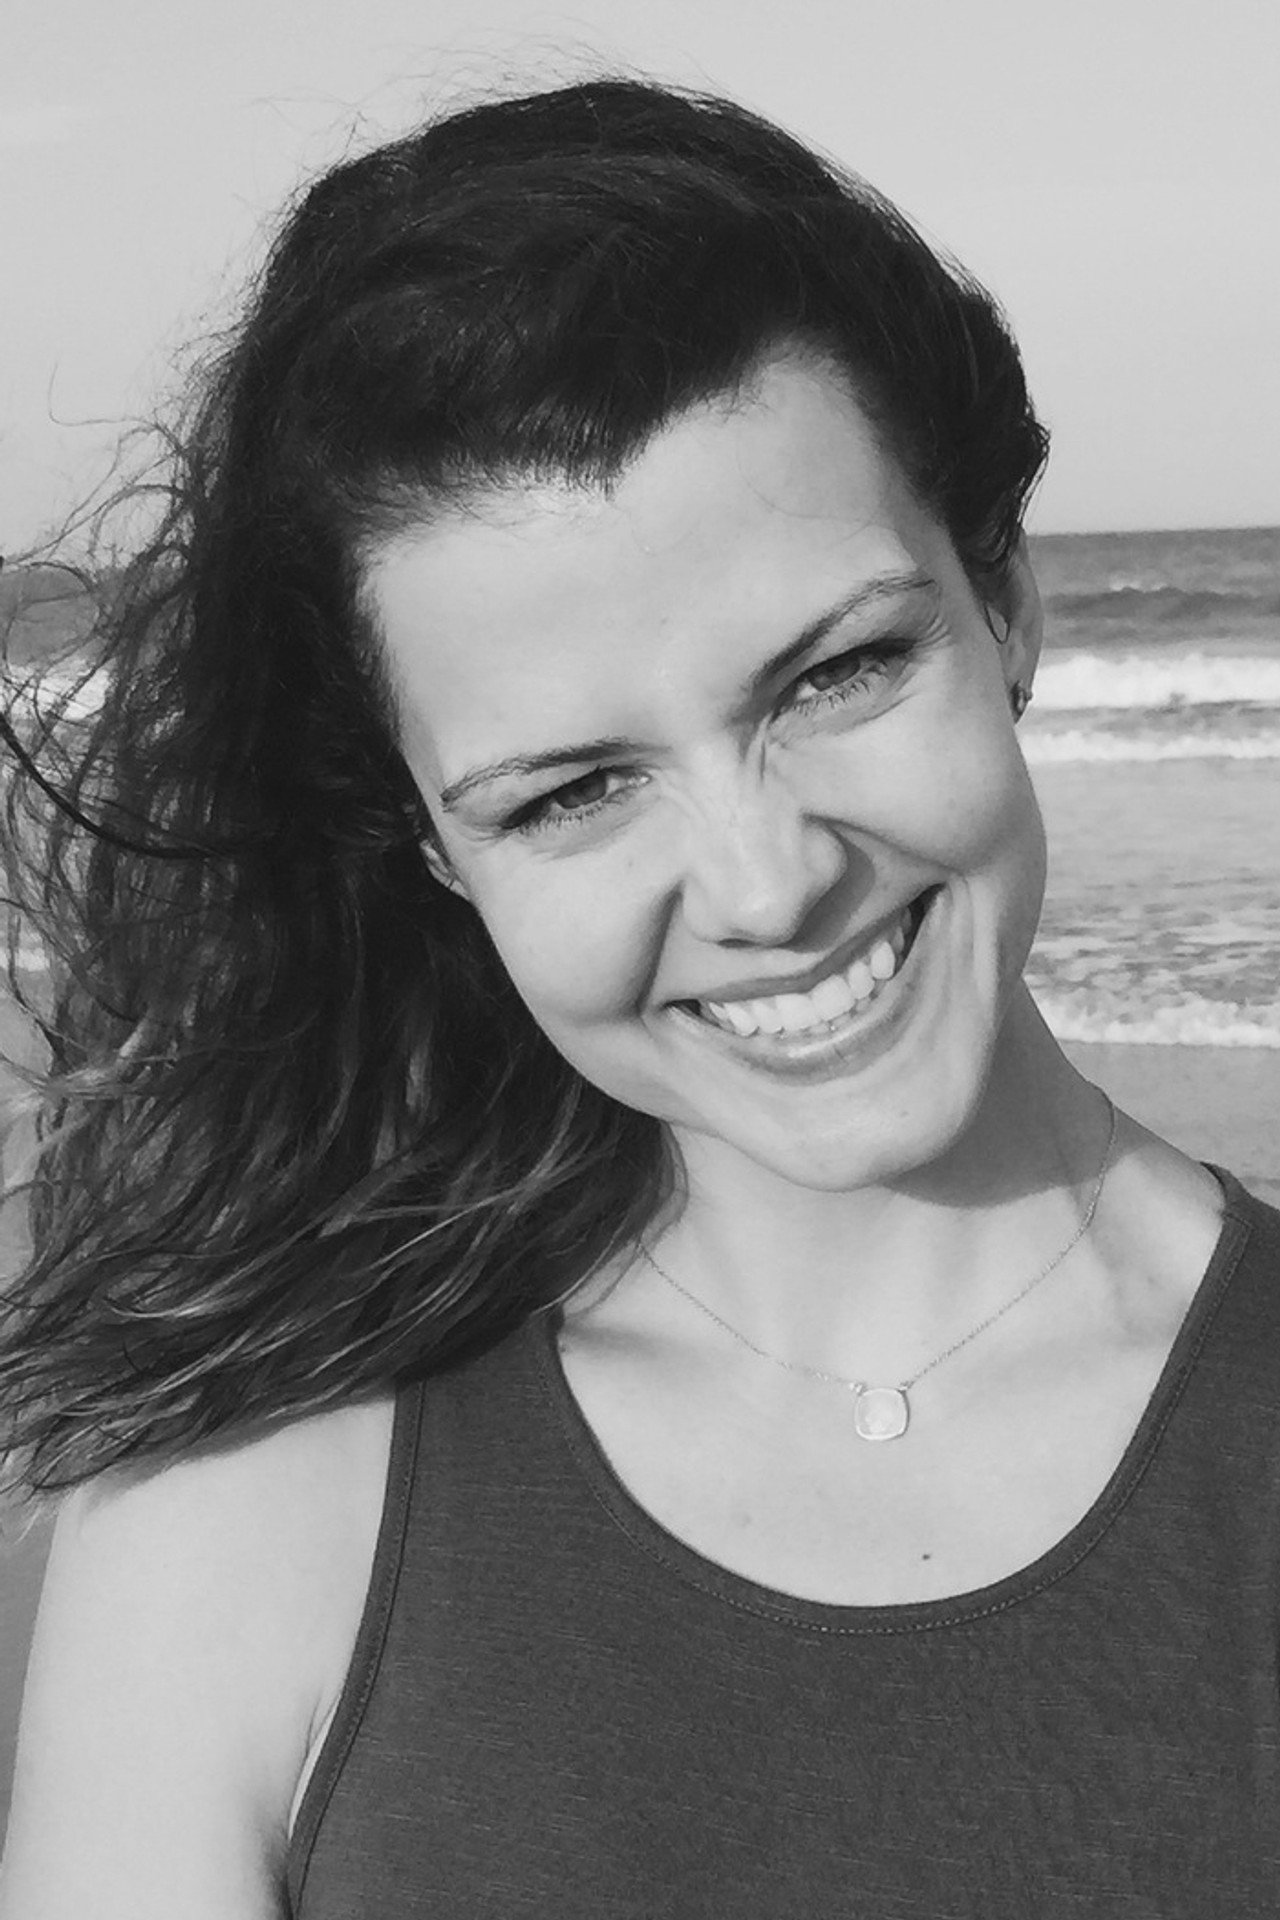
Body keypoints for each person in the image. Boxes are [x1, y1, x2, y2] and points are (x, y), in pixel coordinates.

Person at [0, 74, 1276, 1919]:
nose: (765, 885)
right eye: (573, 792)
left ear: (1002, 601)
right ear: (437, 848)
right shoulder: (236, 1524)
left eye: (836, 675)